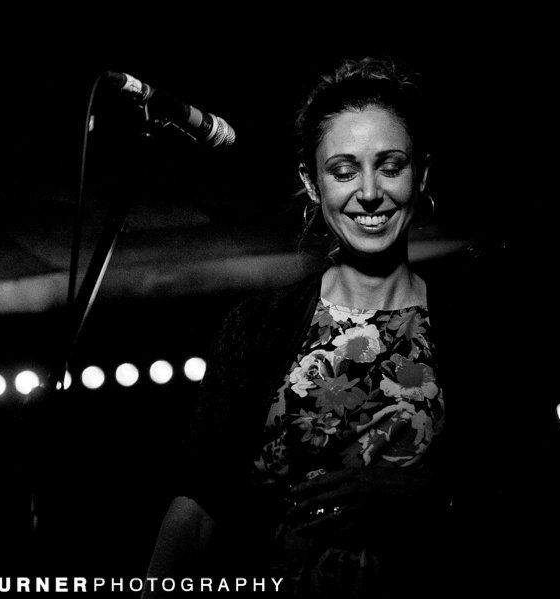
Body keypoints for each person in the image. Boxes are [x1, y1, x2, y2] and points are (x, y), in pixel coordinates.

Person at [144, 56, 495, 598]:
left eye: (391, 166)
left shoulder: (475, 328)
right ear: (311, 183)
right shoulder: (257, 326)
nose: (370, 192)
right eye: (344, 171)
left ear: (421, 174)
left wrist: (423, 494)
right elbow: (197, 504)